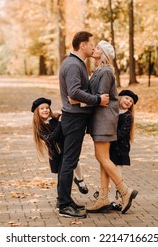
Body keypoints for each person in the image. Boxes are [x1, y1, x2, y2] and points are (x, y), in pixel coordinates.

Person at [83, 40, 138, 214]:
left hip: (104, 120)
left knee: (102, 157)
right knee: (103, 160)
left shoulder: (106, 71)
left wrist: (79, 102)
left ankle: (125, 191)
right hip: (100, 119)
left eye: (98, 48)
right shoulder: (99, 70)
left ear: (104, 54)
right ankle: (103, 198)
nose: (94, 49)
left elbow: (101, 97)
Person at [58, 31, 109, 218]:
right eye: (91, 44)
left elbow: (75, 95)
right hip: (74, 119)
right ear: (82, 45)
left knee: (68, 160)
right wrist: (97, 99)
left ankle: (64, 200)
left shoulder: (75, 63)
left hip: (74, 117)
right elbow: (74, 92)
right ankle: (64, 205)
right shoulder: (73, 64)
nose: (93, 47)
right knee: (69, 161)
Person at [31, 97, 89, 210]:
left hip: (66, 150)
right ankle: (62, 200)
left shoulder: (55, 119)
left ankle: (67, 197)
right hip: (56, 155)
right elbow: (51, 137)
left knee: (68, 173)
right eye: (42, 108)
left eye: (47, 108)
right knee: (62, 177)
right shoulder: (39, 127)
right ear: (37, 112)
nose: (45, 110)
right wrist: (59, 123)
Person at [108, 89, 138, 210]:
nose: (128, 101)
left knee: (117, 175)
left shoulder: (128, 116)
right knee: (110, 173)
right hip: (111, 147)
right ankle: (112, 196)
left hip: (121, 149)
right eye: (126, 98)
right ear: (119, 98)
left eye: (131, 101)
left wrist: (107, 136)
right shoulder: (113, 111)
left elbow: (121, 133)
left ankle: (114, 199)